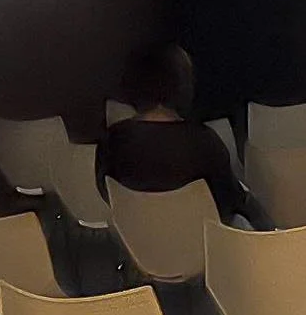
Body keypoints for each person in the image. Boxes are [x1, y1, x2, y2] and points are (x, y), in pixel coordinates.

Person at [97, 42, 255, 224]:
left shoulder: (112, 140)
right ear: (183, 84)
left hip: (138, 247)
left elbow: (106, 193)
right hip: (201, 246)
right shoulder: (203, 142)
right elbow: (229, 202)